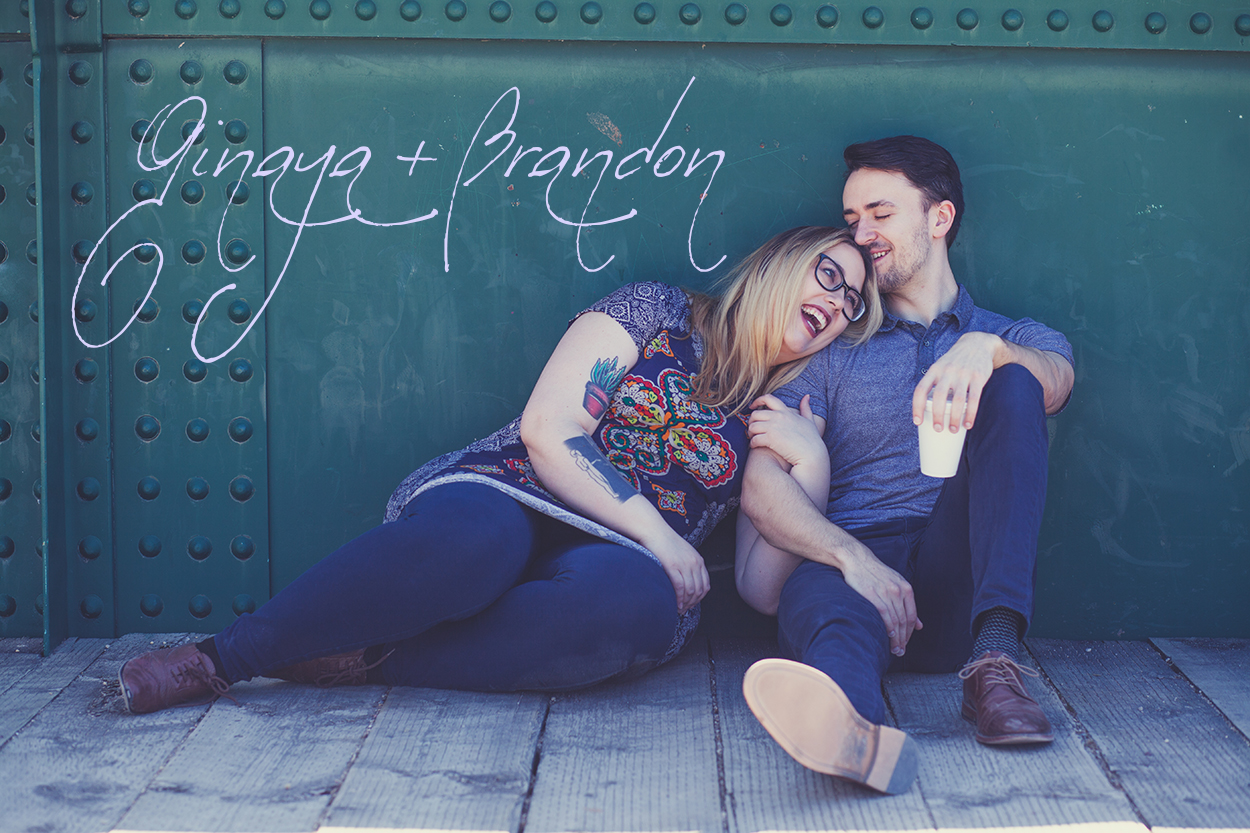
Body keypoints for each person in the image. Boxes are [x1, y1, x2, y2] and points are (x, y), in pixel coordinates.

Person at [118, 225, 883, 714]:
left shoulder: (779, 413)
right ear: (782, 261)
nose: (838, 300)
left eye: (852, 302)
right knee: (474, 544)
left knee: (635, 609)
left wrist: (811, 461)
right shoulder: (658, 310)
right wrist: (661, 533)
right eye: (829, 273)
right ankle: (222, 658)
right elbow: (551, 429)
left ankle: (365, 658)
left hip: (621, 561)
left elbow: (758, 585)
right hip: (518, 491)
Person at [736, 136, 1075, 795]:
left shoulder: (1012, 335)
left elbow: (1056, 381)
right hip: (853, 566)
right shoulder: (833, 344)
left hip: (955, 578)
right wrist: (852, 558)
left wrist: (988, 350)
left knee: (1016, 383)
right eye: (851, 218)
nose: (861, 234)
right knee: (826, 609)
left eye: (880, 214)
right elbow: (763, 482)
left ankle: (996, 664)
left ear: (939, 218)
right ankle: (849, 728)